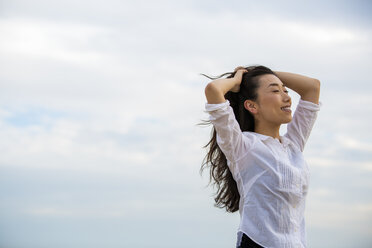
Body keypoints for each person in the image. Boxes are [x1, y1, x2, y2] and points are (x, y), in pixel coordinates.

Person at [200, 65, 321, 248]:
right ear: (252, 106)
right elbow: (213, 90)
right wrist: (239, 79)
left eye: (285, 90)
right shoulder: (242, 146)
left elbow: (313, 87)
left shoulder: (293, 145)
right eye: (275, 91)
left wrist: (264, 74)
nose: (287, 97)